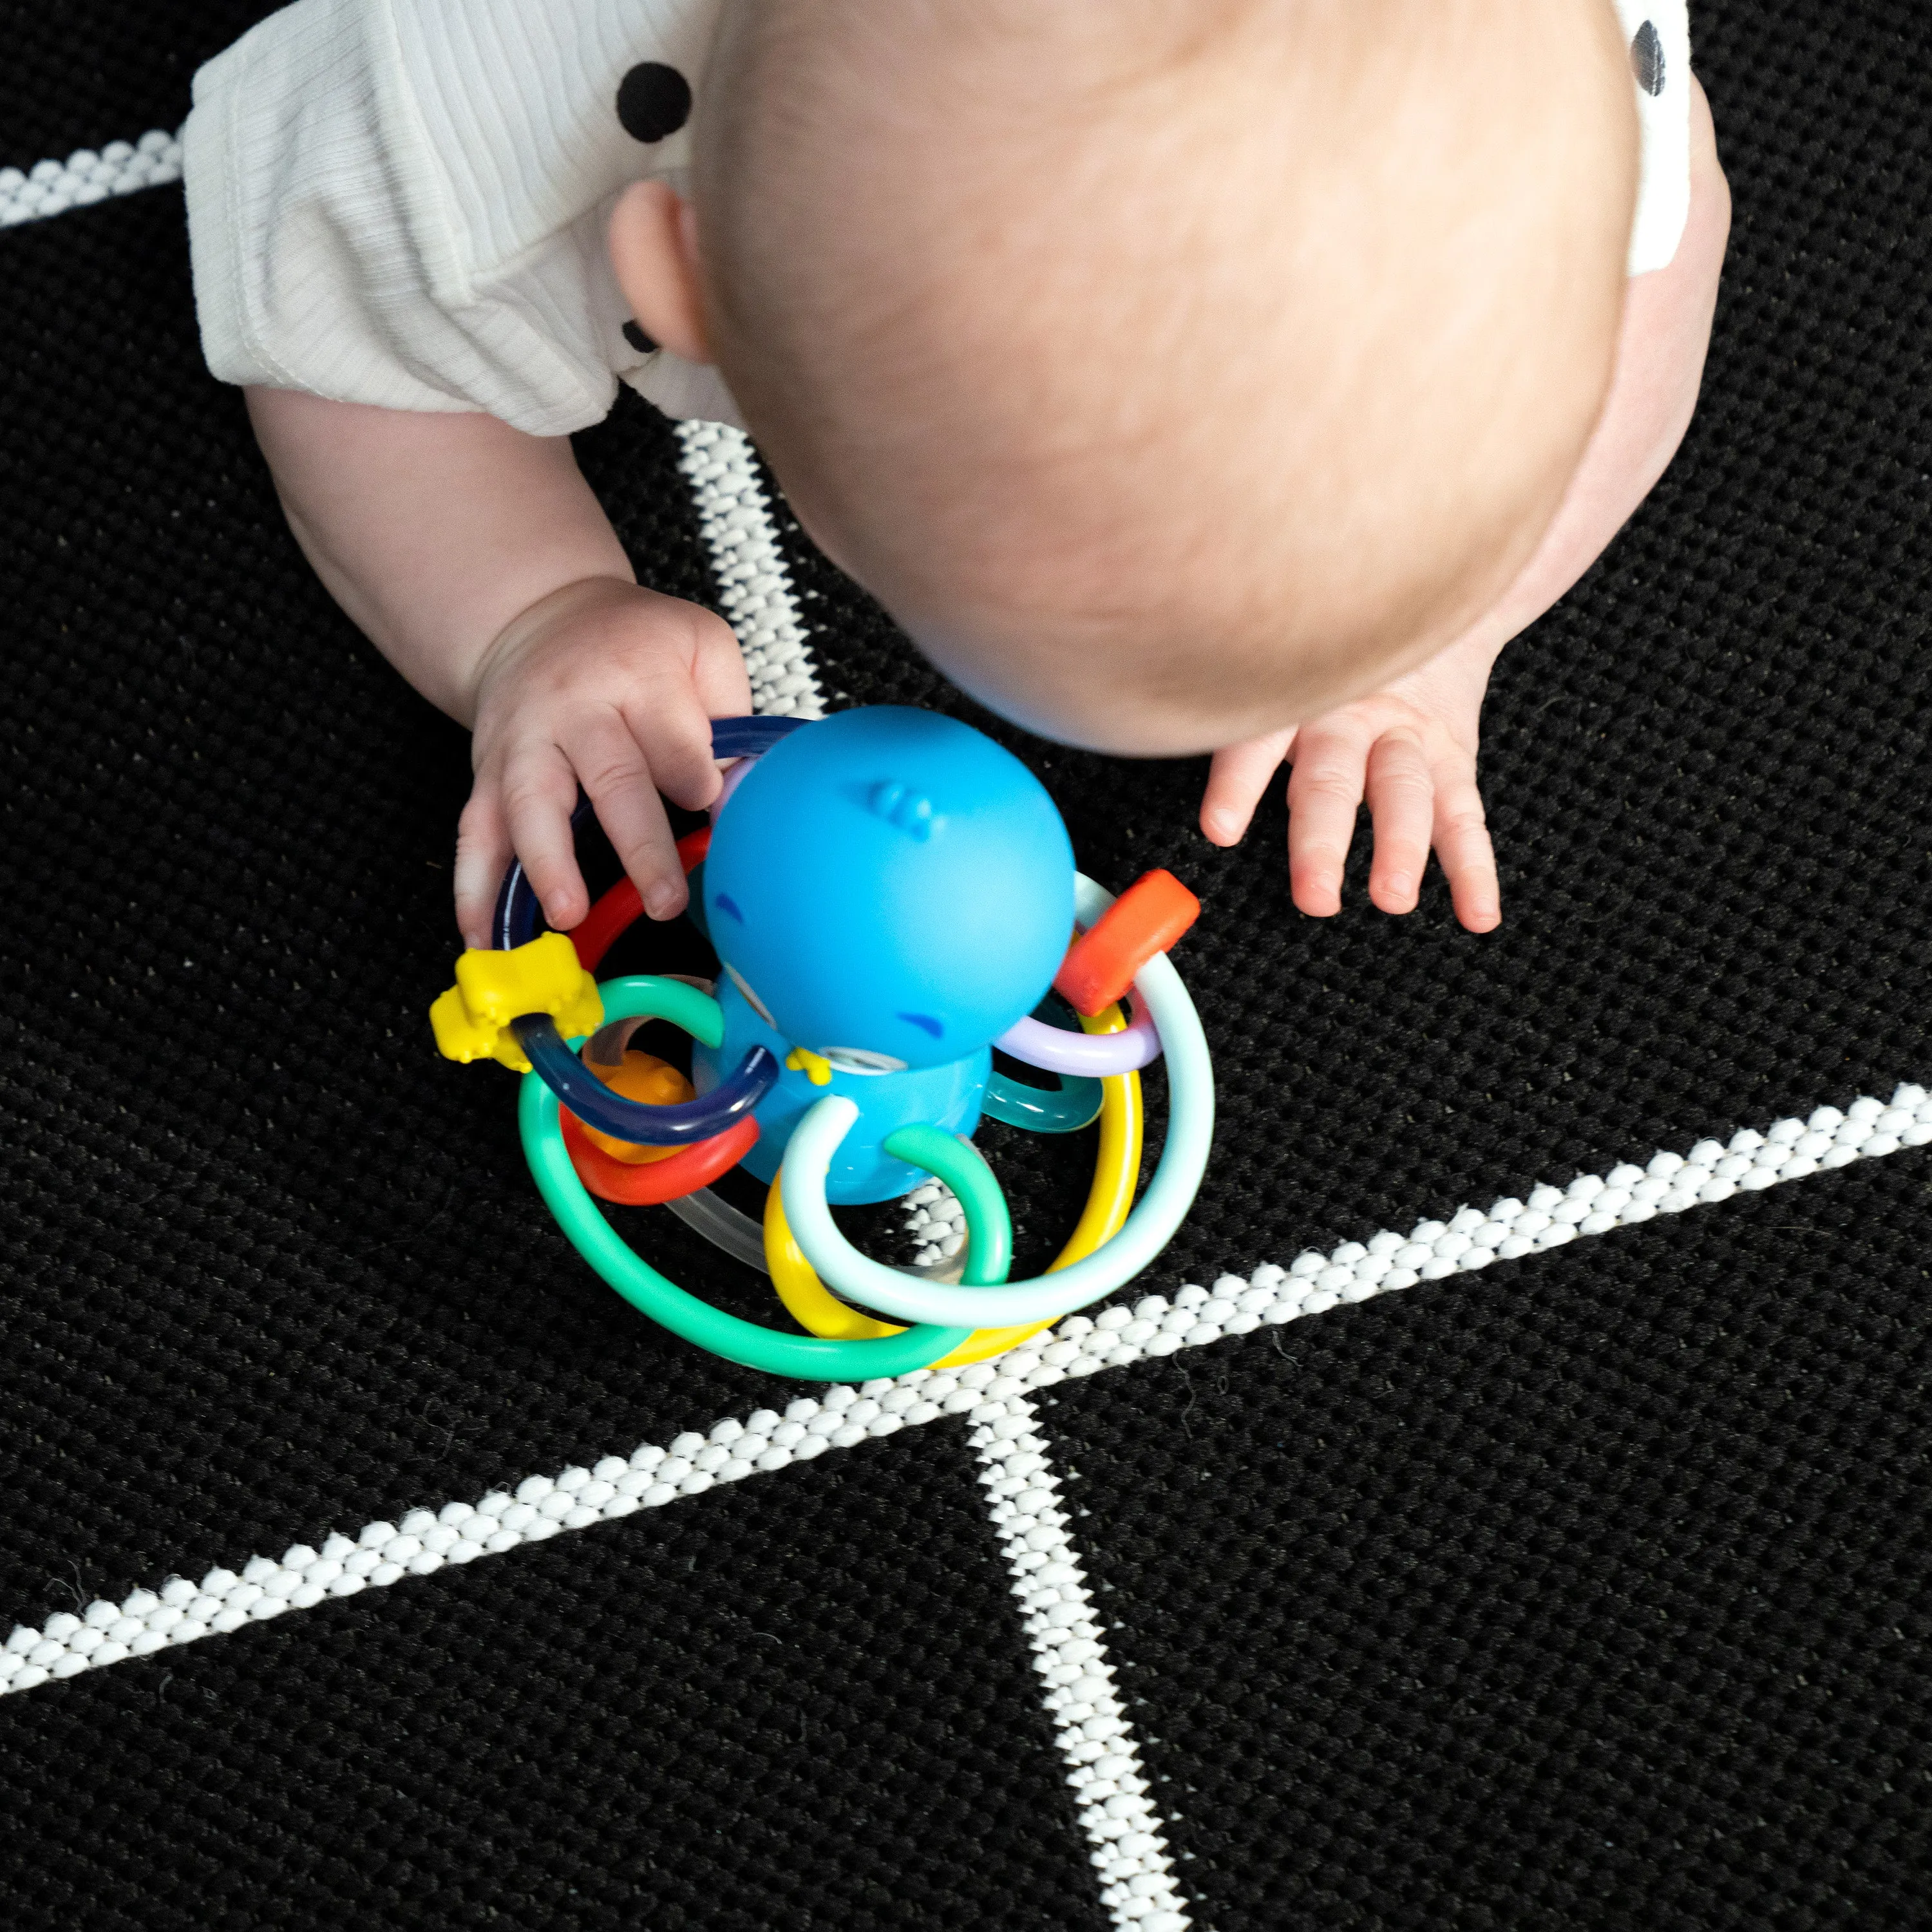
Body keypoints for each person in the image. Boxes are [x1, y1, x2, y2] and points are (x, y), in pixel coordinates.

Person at [183, 0, 1728, 947]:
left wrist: (1439, 634)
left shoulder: (1565, 59)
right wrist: (533, 609)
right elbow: (339, 333)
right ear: (681, 277)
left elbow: (1659, 253)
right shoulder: (483, 121)